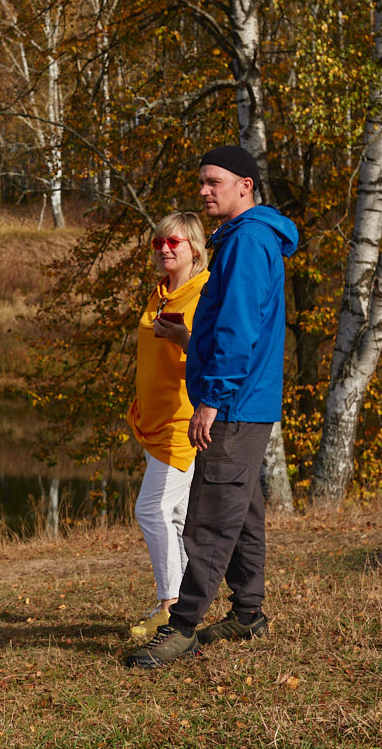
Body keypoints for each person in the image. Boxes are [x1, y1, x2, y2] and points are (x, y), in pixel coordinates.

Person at [123, 145, 299, 669]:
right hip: (247, 400)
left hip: (237, 403)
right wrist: (189, 336)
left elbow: (241, 333)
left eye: (214, 182)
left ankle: (181, 628)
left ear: (244, 185)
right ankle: (248, 613)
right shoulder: (245, 240)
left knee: (209, 517)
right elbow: (231, 326)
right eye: (201, 181)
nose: (204, 191)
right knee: (243, 511)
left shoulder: (247, 243)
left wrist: (211, 401)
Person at [126, 212, 210, 639]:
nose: (164, 250)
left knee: (150, 509)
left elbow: (218, 353)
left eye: (173, 242)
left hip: (182, 422)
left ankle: (170, 605)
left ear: (194, 246)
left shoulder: (204, 293)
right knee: (174, 517)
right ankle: (179, 603)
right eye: (158, 243)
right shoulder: (160, 293)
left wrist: (183, 339)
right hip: (153, 421)